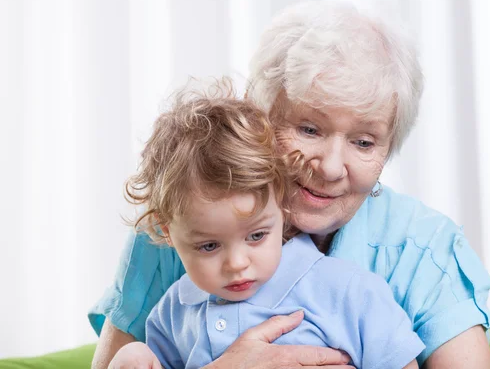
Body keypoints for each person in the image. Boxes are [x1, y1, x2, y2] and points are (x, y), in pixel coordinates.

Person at [91, 1, 490, 369]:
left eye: (364, 142)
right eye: (308, 128)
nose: (332, 167)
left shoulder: (422, 248)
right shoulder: (175, 223)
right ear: (257, 115)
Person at [106, 79, 424, 368]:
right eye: (209, 245)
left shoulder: (348, 291)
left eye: (257, 235)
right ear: (166, 232)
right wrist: (135, 357)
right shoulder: (174, 311)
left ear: (283, 207)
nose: (237, 263)